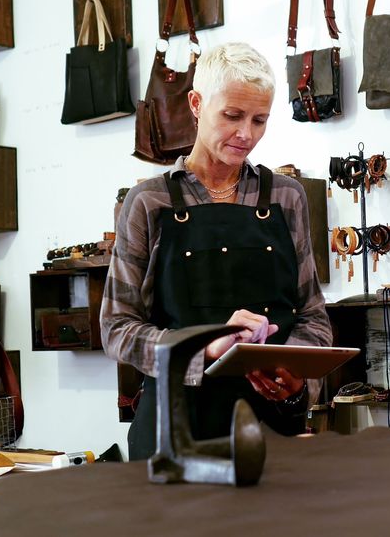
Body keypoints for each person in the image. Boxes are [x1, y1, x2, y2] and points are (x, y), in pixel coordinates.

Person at [100, 42, 332, 460]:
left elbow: (312, 316)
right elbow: (117, 329)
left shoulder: (286, 196)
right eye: (232, 116)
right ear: (196, 103)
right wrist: (204, 347)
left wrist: (300, 380)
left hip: (272, 430)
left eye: (260, 120)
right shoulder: (149, 202)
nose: (247, 133)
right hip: (175, 435)